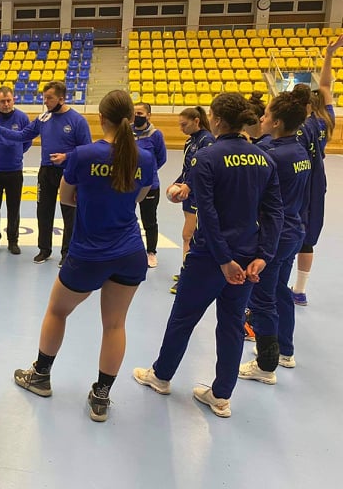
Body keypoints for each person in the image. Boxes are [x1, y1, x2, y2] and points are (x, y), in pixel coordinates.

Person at [134, 93, 283, 419]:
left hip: (210, 258)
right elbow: (274, 212)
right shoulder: (264, 160)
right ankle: (221, 395)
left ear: (215, 119)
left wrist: (223, 260)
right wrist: (264, 256)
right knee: (232, 325)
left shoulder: (207, 157)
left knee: (183, 318)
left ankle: (161, 376)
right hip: (247, 258)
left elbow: (209, 215)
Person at [13, 90, 154, 422]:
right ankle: (101, 396)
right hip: (130, 251)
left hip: (89, 253)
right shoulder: (145, 158)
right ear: (131, 118)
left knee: (57, 310)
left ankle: (40, 376)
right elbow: (140, 196)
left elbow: (67, 198)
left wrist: (92, 197)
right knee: (115, 324)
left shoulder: (84, 155)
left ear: (101, 119)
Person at [238, 88, 311, 384]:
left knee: (262, 298)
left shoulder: (271, 156)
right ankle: (285, 350)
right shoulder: (300, 151)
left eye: (266, 115)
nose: (262, 119)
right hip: (294, 230)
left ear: (277, 122)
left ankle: (265, 365)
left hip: (274, 235)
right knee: (280, 291)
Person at [0, 81, 91, 266]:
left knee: (69, 213)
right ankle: (44, 249)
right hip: (46, 171)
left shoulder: (77, 121)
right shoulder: (44, 118)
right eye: (44, 98)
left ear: (61, 99)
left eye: (49, 98)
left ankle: (67, 252)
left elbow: (87, 150)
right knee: (43, 211)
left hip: (68, 172)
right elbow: (22, 136)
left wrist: (66, 156)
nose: (45, 101)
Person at [290, 34, 341, 306]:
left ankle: (276, 282)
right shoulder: (327, 120)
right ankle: (300, 290)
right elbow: (325, 84)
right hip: (317, 179)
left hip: (297, 174)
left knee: (286, 226)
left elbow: (323, 85)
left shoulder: (298, 125)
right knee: (308, 235)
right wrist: (330, 55)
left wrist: (329, 54)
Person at [167, 107, 214, 294]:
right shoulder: (190, 141)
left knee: (190, 235)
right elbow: (188, 169)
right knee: (189, 235)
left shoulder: (207, 140)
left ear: (196, 121)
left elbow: (204, 170)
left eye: (184, 124)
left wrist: (189, 185)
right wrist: (178, 182)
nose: (181, 129)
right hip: (189, 193)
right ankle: (188, 270)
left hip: (199, 194)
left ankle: (189, 277)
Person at [0, 86, 31, 255]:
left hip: (14, 171)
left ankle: (13, 240)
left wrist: (16, 154)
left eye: (9, 100)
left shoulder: (22, 118)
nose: (6, 104)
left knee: (14, 207)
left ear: (14, 100)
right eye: (2, 101)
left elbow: (27, 141)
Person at [132, 102, 167, 268]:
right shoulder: (126, 132)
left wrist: (148, 172)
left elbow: (161, 158)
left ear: (148, 115)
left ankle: (151, 252)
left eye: (140, 113)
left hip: (150, 185)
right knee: (126, 218)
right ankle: (128, 250)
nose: (136, 116)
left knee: (149, 220)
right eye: (134, 113)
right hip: (129, 184)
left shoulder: (156, 135)